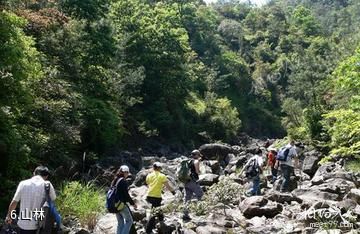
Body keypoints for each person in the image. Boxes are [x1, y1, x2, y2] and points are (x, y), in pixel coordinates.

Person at [5, 166, 56, 234]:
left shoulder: (23, 183)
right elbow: (53, 200)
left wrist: (9, 216)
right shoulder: (47, 185)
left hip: (23, 224)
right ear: (46, 176)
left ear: (34, 173)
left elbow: (14, 201)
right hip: (40, 225)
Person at [145, 162, 175, 234]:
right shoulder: (162, 176)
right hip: (156, 196)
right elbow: (167, 185)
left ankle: (161, 220)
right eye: (160, 168)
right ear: (159, 168)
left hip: (149, 196)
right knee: (154, 212)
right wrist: (173, 192)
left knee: (158, 208)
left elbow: (148, 184)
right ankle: (148, 230)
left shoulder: (149, 175)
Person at [111, 165, 137, 234]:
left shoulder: (115, 180)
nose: (127, 174)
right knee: (129, 221)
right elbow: (126, 195)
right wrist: (133, 203)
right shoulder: (122, 181)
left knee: (120, 222)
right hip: (121, 204)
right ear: (124, 172)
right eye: (127, 173)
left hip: (114, 204)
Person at [182, 150, 204, 221]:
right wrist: (200, 171)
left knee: (187, 198)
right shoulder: (196, 161)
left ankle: (185, 214)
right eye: (199, 155)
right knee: (200, 194)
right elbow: (197, 172)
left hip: (186, 181)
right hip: (192, 181)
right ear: (197, 155)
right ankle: (200, 210)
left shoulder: (187, 161)